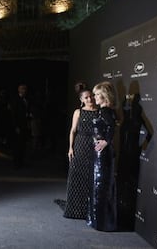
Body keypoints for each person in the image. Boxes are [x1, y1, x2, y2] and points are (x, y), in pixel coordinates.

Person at [63, 83, 98, 219]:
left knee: (91, 177)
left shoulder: (99, 111)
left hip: (94, 146)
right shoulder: (78, 112)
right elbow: (72, 131)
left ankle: (88, 209)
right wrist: (70, 148)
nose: (90, 100)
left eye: (91, 97)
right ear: (81, 100)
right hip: (80, 145)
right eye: (87, 98)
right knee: (77, 177)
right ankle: (75, 209)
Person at [87, 81, 117, 232]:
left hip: (103, 154)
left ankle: (102, 222)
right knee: (100, 186)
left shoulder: (106, 111)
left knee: (101, 186)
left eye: (98, 94)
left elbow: (112, 126)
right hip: (101, 153)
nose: (95, 97)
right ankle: (100, 221)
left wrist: (106, 142)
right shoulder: (105, 110)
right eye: (95, 94)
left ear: (105, 95)